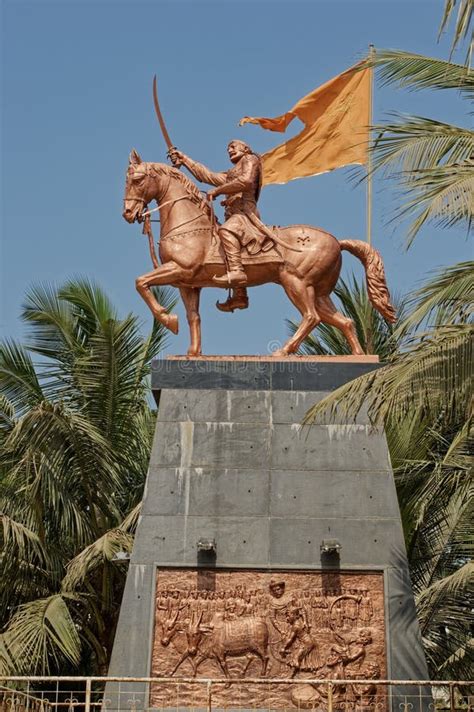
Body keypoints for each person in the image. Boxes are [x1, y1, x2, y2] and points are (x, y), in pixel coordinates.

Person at [169, 140, 268, 312]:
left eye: (233, 146)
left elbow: (246, 181)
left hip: (245, 214)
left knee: (225, 230)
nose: (229, 150)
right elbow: (207, 176)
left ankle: (237, 271)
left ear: (245, 149)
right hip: (234, 215)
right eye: (228, 148)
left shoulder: (251, 159)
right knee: (219, 244)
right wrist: (184, 159)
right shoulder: (231, 174)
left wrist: (218, 191)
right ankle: (240, 295)